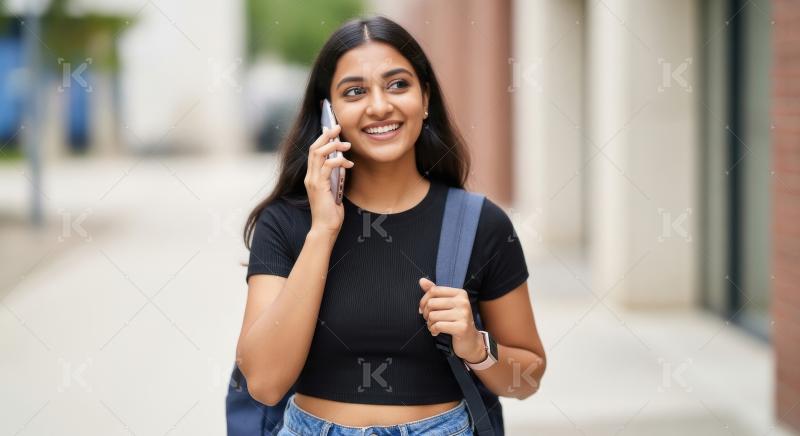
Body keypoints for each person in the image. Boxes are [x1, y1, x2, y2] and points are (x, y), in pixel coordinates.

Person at [236, 15, 546, 436]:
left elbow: (526, 381)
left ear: (426, 98)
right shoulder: (288, 222)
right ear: (327, 112)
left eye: (398, 84)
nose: (380, 106)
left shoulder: (480, 224)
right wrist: (323, 230)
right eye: (355, 91)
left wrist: (477, 347)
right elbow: (264, 384)